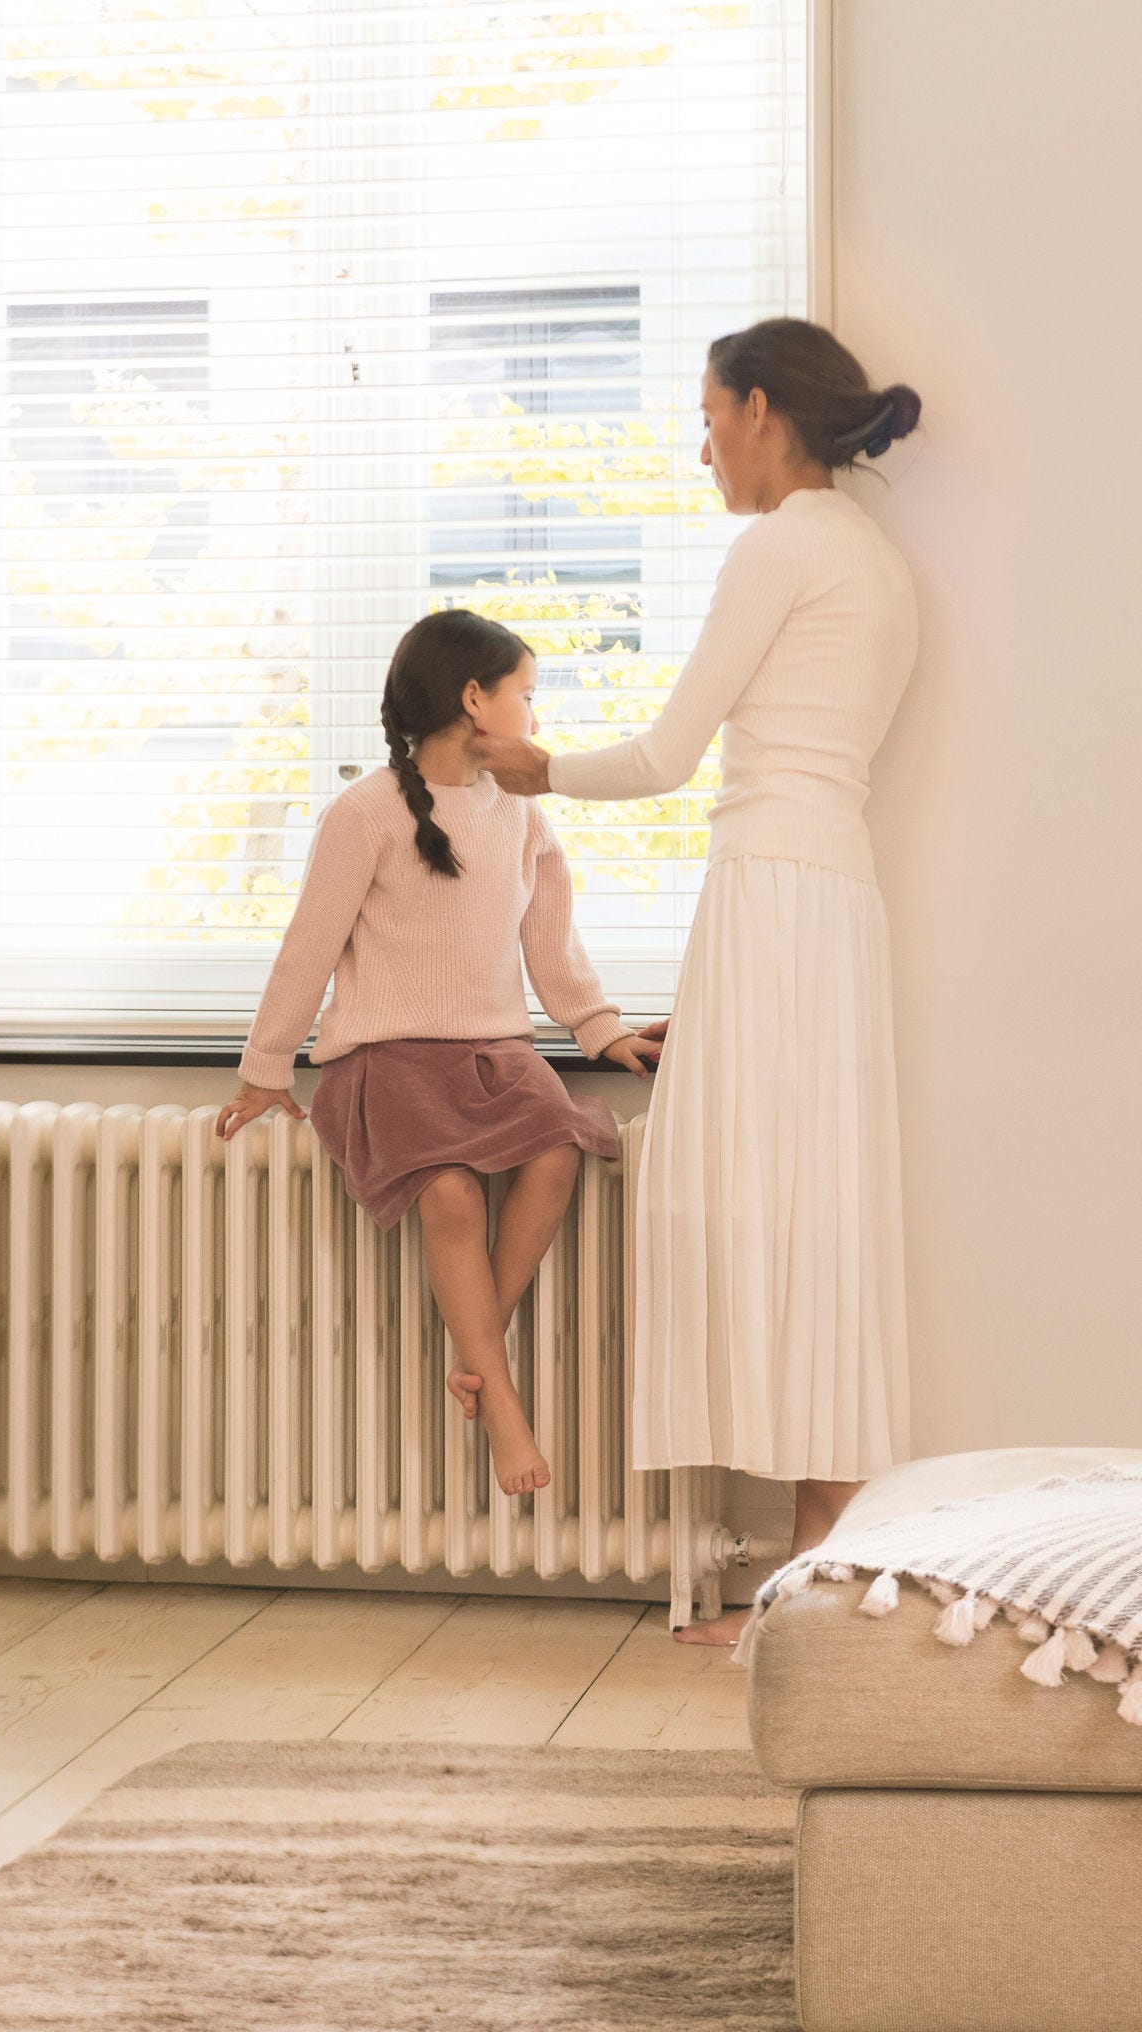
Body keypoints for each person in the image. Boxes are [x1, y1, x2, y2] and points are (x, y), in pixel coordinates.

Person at [471, 317, 923, 1642]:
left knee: (758, 1207)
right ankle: (817, 1570)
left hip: (773, 894)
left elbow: (671, 755)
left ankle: (808, 1577)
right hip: (831, 899)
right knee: (818, 1209)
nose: (703, 444)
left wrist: (533, 767)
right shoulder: (879, 564)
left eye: (710, 414)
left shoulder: (779, 546)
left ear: (763, 408)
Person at [217, 608, 664, 1499]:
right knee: (453, 1196)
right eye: (526, 695)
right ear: (475, 700)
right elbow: (308, 948)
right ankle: (500, 1400)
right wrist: (266, 1069)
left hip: (495, 1057)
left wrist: (601, 1030)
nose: (535, 715)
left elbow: (553, 949)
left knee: (557, 1157)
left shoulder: (524, 820)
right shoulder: (365, 813)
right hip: (384, 1062)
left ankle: (474, 1352)